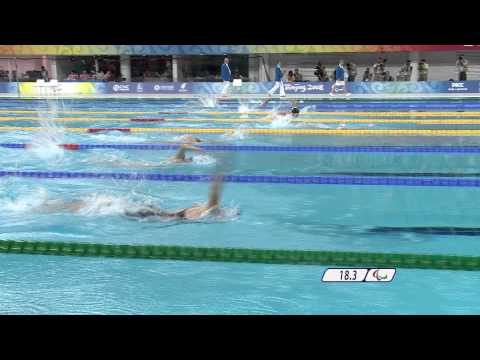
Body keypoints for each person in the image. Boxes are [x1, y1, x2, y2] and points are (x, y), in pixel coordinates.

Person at [39, 176, 226, 221]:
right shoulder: (197, 213)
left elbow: (213, 203)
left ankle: (51, 205)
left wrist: (217, 182)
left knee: (99, 205)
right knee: (100, 205)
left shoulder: (204, 211)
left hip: (152, 213)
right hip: (154, 213)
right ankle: (52, 206)